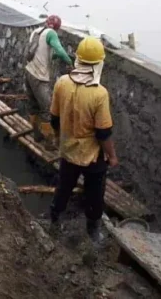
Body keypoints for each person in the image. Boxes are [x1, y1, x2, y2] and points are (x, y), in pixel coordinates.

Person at [48, 36, 119, 242]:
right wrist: (112, 156)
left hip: (68, 148)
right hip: (92, 155)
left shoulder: (62, 82)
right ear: (99, 64)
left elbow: (54, 118)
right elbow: (103, 133)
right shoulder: (99, 93)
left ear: (78, 60)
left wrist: (57, 138)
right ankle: (93, 231)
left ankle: (55, 220)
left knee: (64, 186)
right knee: (95, 193)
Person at [24, 15, 73, 148]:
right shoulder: (51, 34)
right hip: (39, 77)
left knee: (33, 105)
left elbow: (42, 51)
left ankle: (36, 134)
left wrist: (55, 55)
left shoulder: (37, 31)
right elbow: (60, 51)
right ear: (57, 28)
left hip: (28, 72)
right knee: (47, 109)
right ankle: (49, 143)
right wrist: (70, 63)